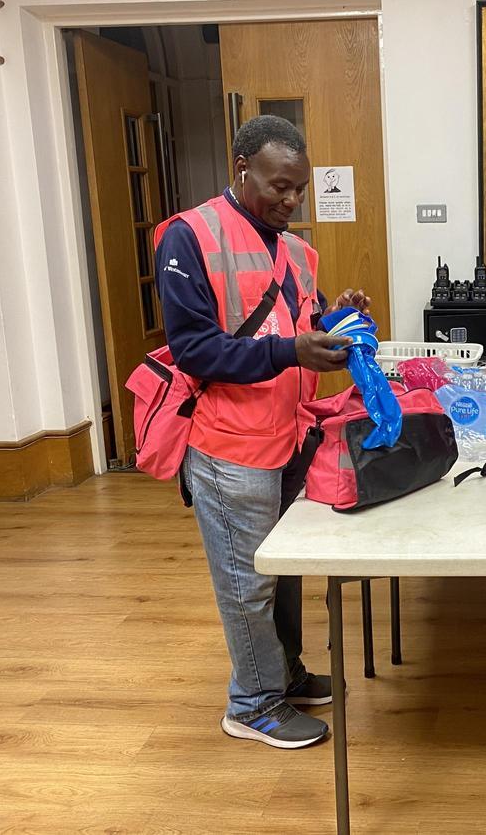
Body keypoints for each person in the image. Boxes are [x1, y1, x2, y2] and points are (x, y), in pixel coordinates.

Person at [154, 115, 370, 750]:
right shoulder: (189, 237)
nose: (291, 200)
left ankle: (286, 674)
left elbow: (298, 320)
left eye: (299, 189)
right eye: (280, 186)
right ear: (240, 167)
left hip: (290, 436)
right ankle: (251, 703)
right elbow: (194, 349)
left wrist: (340, 319)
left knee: (283, 573)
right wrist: (291, 353)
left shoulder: (298, 251)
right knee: (248, 583)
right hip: (230, 448)